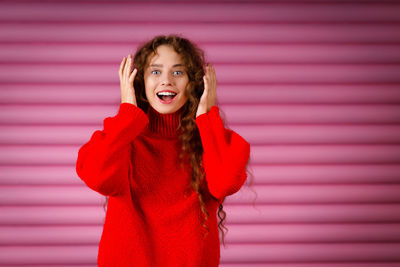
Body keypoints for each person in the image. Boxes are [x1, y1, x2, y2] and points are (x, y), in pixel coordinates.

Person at [76, 34, 251, 266]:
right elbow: (96, 176)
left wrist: (208, 119)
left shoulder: (211, 140)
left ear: (194, 82)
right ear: (139, 81)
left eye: (178, 72)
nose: (166, 80)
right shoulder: (124, 138)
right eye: (155, 71)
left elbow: (226, 183)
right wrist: (127, 113)